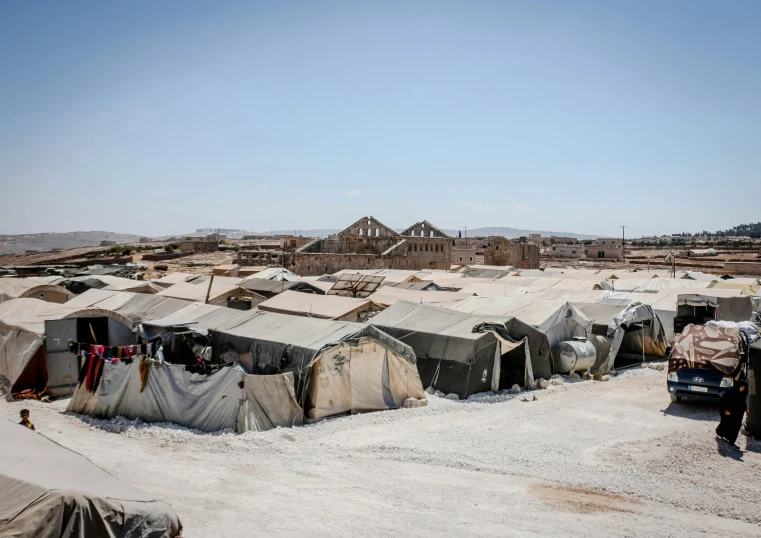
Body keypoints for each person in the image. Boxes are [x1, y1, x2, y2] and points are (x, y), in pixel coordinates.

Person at [716, 379, 747, 447]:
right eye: (742, 387)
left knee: (736, 426)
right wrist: (725, 410)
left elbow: (743, 403)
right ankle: (720, 432)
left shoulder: (742, 395)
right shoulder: (730, 393)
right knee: (727, 424)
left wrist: (746, 409)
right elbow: (723, 402)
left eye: (744, 388)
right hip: (730, 413)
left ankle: (731, 440)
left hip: (738, 414)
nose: (742, 389)